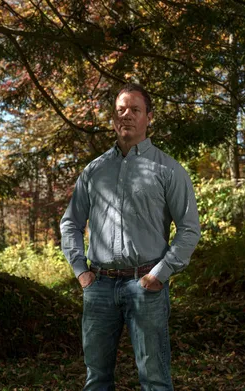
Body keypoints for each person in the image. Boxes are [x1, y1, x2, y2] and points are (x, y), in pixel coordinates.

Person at [60, 83, 201, 391]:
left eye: (135, 110)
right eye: (120, 110)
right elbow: (70, 223)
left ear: (149, 117)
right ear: (113, 119)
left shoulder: (168, 170)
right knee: (96, 380)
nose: (127, 116)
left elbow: (189, 229)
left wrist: (160, 274)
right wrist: (80, 270)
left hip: (146, 286)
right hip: (98, 286)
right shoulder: (94, 171)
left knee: (154, 380)